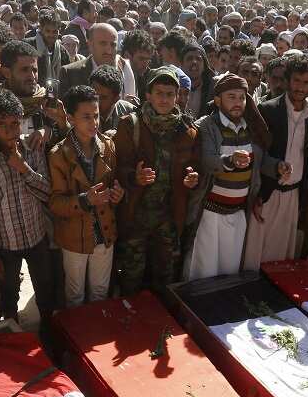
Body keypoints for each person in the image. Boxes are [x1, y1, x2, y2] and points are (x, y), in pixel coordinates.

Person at [112, 67, 199, 296]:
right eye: (159, 93)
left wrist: (191, 178)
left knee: (164, 276)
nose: (164, 99)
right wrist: (134, 177)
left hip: (168, 218)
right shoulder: (130, 125)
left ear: (177, 96)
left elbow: (193, 166)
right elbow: (116, 168)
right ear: (148, 95)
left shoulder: (187, 130)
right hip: (136, 216)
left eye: (170, 94)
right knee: (132, 276)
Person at [0, 87, 58, 325]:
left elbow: (47, 192)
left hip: (36, 237)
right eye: (4, 125)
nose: (12, 131)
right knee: (9, 298)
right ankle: (13, 341)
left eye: (16, 123)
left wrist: (24, 168)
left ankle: (50, 334)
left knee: (45, 292)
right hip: (6, 244)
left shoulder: (31, 148)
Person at [48, 84, 121, 307]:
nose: (94, 123)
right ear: (70, 117)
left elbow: (113, 184)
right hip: (74, 238)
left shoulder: (108, 146)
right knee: (75, 295)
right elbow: (56, 204)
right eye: (86, 117)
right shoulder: (58, 155)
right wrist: (85, 200)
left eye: (96, 116)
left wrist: (118, 194)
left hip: (104, 231)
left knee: (100, 292)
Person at [244, 53, 308, 271]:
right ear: (287, 80)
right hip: (268, 192)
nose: (300, 87)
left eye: (306, 83)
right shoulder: (269, 109)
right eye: (296, 80)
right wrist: (262, 188)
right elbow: (256, 153)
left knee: (281, 255)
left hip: (293, 195)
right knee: (256, 250)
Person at [187, 72, 260, 280]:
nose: (238, 103)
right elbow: (208, 161)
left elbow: (259, 161)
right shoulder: (206, 125)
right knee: (204, 271)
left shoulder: (249, 127)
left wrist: (278, 167)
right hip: (211, 214)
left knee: (229, 270)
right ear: (218, 100)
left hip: (237, 213)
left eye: (241, 97)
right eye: (231, 97)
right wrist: (230, 161)